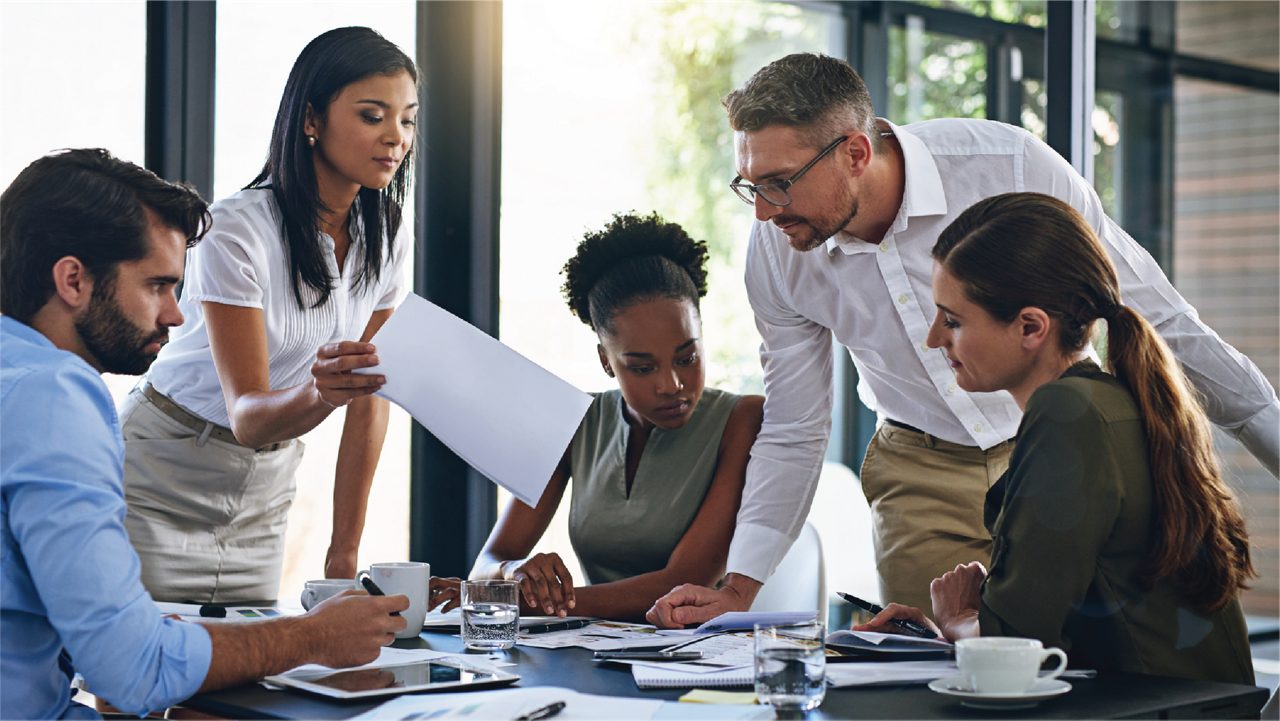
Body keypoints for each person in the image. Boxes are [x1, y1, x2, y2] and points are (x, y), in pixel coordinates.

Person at [647, 52, 1278, 625]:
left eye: (779, 182)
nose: (762, 210)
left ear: (855, 153)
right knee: (934, 678)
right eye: (749, 185)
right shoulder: (778, 250)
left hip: (1061, 447)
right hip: (920, 472)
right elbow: (794, 423)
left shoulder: (1008, 166)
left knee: (1080, 668)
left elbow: (1159, 319)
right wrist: (740, 587)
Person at [0, 148, 410, 720]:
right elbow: (134, 667)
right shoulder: (54, 397)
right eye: (157, 286)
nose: (174, 315)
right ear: (73, 280)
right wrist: (311, 637)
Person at [853, 192, 1255, 685]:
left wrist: (960, 620)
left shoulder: (1066, 415)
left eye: (953, 320)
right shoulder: (1109, 401)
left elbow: (1021, 647)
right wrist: (978, 609)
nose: (935, 339)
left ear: (1030, 327)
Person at [121, 27, 417, 602]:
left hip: (266, 486)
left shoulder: (388, 231)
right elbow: (249, 415)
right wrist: (324, 392)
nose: (395, 138)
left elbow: (370, 396)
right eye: (372, 115)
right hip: (162, 471)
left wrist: (344, 550)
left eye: (406, 119)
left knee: (247, 679)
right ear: (311, 119)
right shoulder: (236, 229)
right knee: (131, 682)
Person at [460, 213, 763, 621]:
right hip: (596, 652)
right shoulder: (573, 420)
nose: (671, 384)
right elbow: (487, 566)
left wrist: (526, 601)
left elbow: (685, 583)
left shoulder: (742, 419)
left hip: (711, 659)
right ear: (606, 361)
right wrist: (513, 573)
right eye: (642, 367)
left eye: (687, 357)